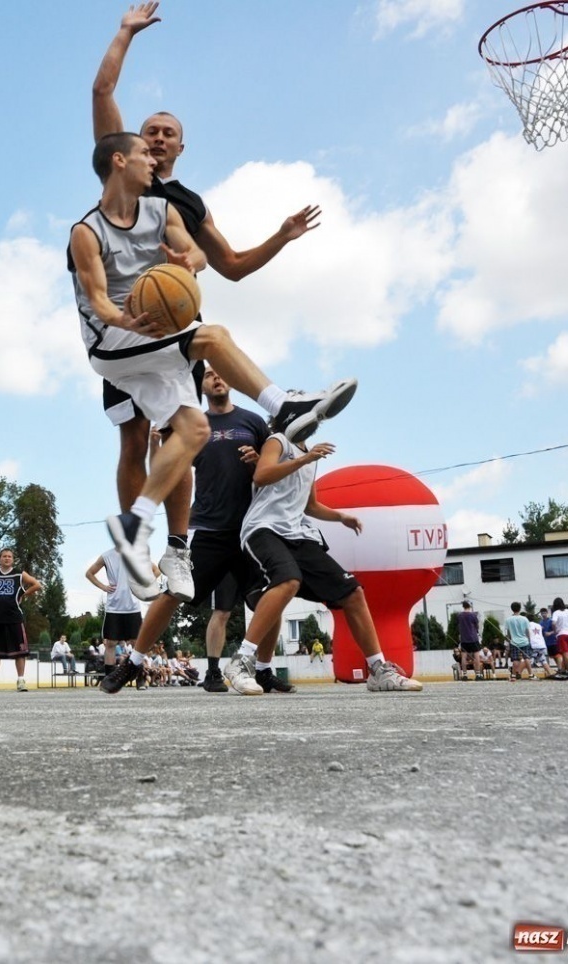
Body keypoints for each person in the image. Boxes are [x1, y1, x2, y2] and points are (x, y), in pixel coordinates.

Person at [92, 2, 327, 602]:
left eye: (168, 132)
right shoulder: (121, 176)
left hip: (175, 327)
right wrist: (124, 34)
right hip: (126, 325)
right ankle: (140, 547)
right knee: (133, 436)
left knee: (182, 433)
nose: (158, 136)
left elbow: (233, 267)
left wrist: (280, 236)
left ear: (181, 146)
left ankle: (175, 549)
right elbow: (103, 88)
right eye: (151, 130)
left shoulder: (190, 205)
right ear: (134, 144)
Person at [69, 132, 356, 596]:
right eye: (144, 151)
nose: (152, 158)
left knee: (195, 431)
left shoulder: (164, 210)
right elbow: (98, 299)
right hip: (114, 339)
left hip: (160, 339)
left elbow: (200, 252)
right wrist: (125, 319)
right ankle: (283, 406)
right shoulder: (87, 231)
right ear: (119, 161)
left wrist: (190, 259)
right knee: (213, 337)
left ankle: (135, 525)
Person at [100, 369, 291, 695]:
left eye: (221, 374)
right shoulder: (194, 423)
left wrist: (256, 461)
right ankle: (132, 661)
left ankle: (263, 669)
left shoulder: (253, 422)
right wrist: (154, 446)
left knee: (270, 599)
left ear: (229, 382)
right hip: (208, 527)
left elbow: (268, 471)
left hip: (250, 526)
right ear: (199, 385)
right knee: (173, 592)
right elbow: (168, 469)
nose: (217, 379)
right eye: (210, 376)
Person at [223, 429, 423, 696]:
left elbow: (311, 506)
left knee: (353, 593)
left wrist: (341, 517)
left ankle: (378, 670)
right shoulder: (277, 440)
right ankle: (241, 661)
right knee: (287, 580)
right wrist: (303, 460)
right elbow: (261, 475)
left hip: (298, 534)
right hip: (264, 529)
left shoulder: (310, 457)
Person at [85, 547, 146, 677]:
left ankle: (140, 678)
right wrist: (103, 587)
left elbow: (155, 570)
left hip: (133, 606)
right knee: (111, 643)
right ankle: (110, 678)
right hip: (114, 607)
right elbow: (89, 573)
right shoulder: (106, 556)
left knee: (136, 643)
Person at [0, 548, 41, 692]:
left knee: (20, 652)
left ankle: (21, 681)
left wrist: (23, 594)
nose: (7, 558)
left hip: (14, 618)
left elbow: (37, 584)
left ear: (13, 559)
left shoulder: (19, 573)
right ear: (0, 558)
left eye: (9, 556)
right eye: (4, 556)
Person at [504, 603, 534, 681]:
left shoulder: (508, 619)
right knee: (527, 657)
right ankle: (531, 674)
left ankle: (513, 676)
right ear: (520, 609)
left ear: (512, 609)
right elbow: (527, 631)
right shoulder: (525, 619)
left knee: (515, 659)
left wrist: (509, 639)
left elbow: (507, 633)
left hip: (514, 642)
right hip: (525, 641)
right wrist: (529, 640)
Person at [550, 597, 568, 680]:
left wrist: (555, 631)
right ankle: (562, 670)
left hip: (562, 634)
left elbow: (554, 623)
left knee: (564, 654)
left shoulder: (556, 613)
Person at [456, 600, 482, 681]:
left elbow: (458, 625)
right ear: (469, 606)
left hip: (464, 638)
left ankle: (465, 675)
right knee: (476, 656)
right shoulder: (473, 615)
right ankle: (477, 674)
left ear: (463, 606)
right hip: (473, 638)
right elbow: (476, 625)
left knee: (463, 657)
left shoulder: (460, 616)